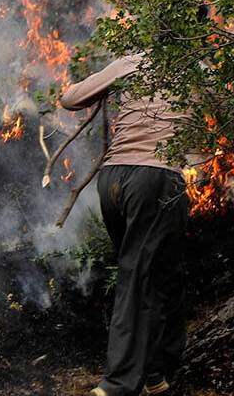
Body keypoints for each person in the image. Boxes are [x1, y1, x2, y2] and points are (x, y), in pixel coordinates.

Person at [59, 51, 187, 396]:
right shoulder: (199, 69)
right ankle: (117, 384)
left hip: (113, 181)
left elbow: (70, 98)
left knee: (157, 274)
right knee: (141, 277)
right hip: (156, 180)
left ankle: (154, 372)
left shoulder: (132, 61)